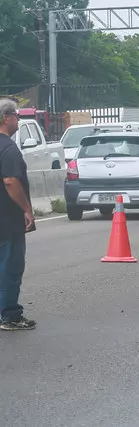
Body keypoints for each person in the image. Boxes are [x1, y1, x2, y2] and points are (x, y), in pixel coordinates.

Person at [0, 98, 35, 331]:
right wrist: (27, 209)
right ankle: (10, 315)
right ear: (6, 118)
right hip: (7, 218)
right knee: (11, 265)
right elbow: (11, 181)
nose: (18, 119)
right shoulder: (8, 149)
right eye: (16, 116)